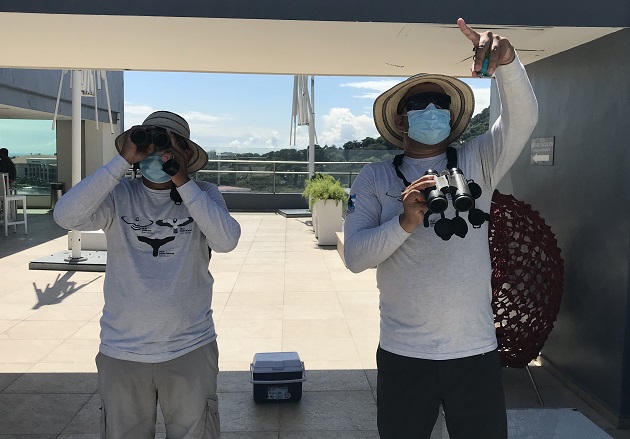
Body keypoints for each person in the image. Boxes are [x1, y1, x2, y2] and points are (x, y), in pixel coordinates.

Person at [343, 18, 538, 439]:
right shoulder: (375, 178)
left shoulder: (477, 160)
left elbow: (521, 122)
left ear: (451, 118)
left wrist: (508, 63)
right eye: (419, 104)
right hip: (403, 354)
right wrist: (406, 220)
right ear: (399, 120)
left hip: (474, 351)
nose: (431, 110)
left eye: (439, 103)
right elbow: (356, 257)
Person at [54, 110, 241, 439]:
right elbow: (66, 216)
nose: (156, 153)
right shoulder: (119, 196)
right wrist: (122, 161)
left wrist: (181, 180)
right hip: (122, 350)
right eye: (149, 144)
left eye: (167, 146)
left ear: (186, 152)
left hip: (190, 347)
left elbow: (226, 241)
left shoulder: (204, 194)